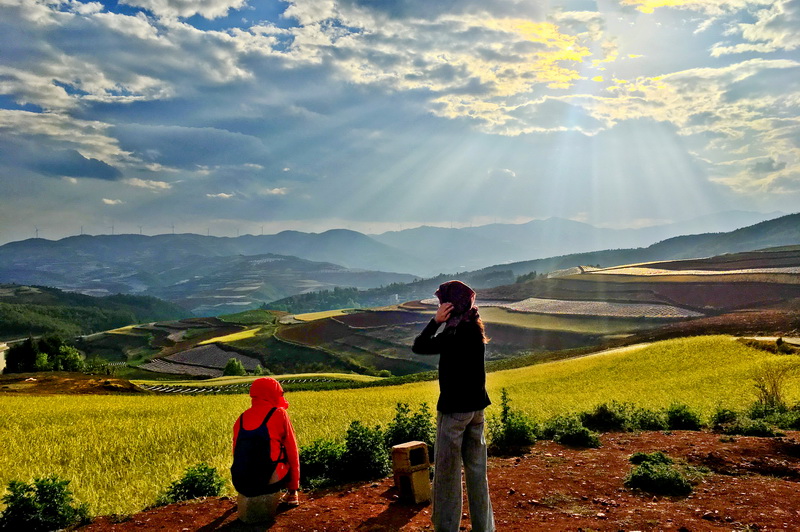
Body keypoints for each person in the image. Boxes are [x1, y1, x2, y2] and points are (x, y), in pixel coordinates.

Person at [412, 280, 495, 532]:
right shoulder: (473, 327)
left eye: (443, 303)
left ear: (450, 306)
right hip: (477, 410)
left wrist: (435, 321)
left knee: (447, 475)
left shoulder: (453, 332)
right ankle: (485, 528)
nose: (441, 306)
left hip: (454, 412)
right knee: (477, 473)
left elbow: (419, 345)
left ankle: (447, 528)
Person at [231, 377, 301, 524]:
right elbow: (292, 450)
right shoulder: (279, 413)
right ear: (272, 393)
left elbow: (236, 454)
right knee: (285, 453)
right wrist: (294, 486)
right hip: (270, 480)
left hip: (241, 482)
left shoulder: (241, 418)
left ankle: (247, 494)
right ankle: (292, 495)